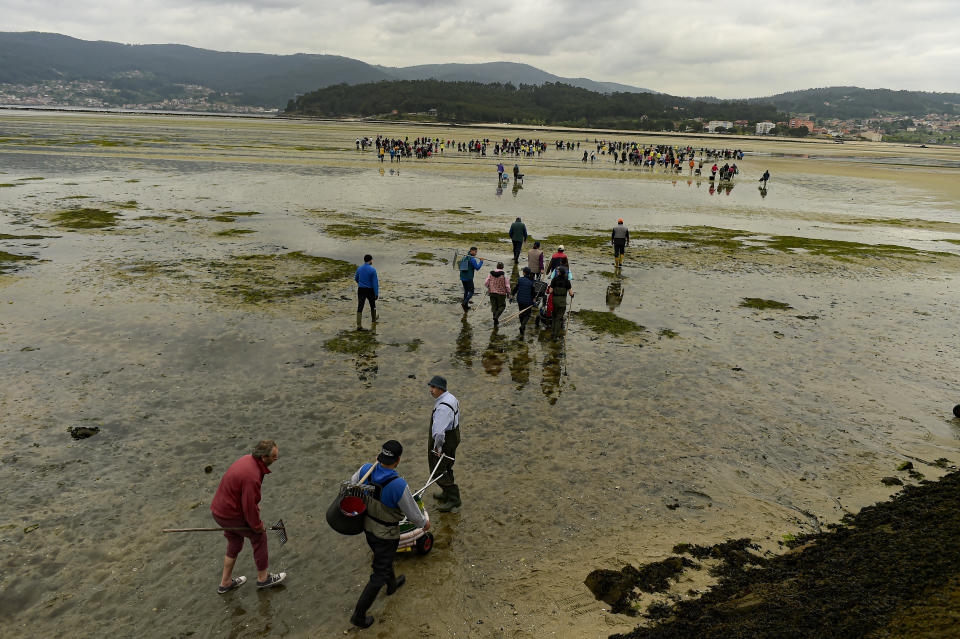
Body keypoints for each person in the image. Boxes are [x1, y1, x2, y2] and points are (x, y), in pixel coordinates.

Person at [349, 441, 430, 628]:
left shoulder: (365, 470)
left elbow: (352, 486)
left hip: (368, 528)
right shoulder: (398, 485)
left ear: (380, 456)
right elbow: (413, 515)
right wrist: (425, 524)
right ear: (398, 460)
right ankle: (358, 615)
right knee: (379, 573)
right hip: (386, 535)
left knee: (383, 560)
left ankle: (392, 585)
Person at [210, 440, 286, 594]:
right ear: (264, 457)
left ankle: (225, 583)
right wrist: (257, 526)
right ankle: (263, 579)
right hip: (230, 513)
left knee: (235, 541)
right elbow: (249, 507)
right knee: (259, 537)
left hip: (218, 510)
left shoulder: (248, 460)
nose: (276, 459)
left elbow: (245, 498)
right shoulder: (252, 476)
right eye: (274, 457)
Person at [427, 375, 461, 512]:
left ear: (441, 389)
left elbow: (439, 433)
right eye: (430, 386)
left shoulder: (442, 408)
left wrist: (438, 447)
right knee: (447, 466)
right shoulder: (451, 398)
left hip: (445, 441)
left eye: (433, 387)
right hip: (454, 436)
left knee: (437, 471)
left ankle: (454, 499)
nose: (431, 390)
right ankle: (447, 494)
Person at [547, 267, 574, 339]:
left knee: (554, 317)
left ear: (559, 273)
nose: (557, 272)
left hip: (554, 301)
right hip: (562, 301)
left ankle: (552, 333)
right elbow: (571, 293)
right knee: (559, 318)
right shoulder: (567, 281)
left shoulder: (554, 280)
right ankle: (555, 335)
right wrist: (572, 295)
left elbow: (550, 291)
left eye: (558, 271)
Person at [484, 262, 512, 326]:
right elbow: (507, 286)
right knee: (502, 306)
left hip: (492, 292)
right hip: (501, 294)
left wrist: (489, 288)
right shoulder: (504, 275)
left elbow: (486, 282)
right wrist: (509, 293)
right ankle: (496, 317)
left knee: (494, 306)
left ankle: (495, 320)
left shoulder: (490, 273)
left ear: (497, 267)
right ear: (502, 267)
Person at [355, 254, 379, 324]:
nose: (372, 261)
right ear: (370, 260)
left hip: (361, 289)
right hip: (370, 290)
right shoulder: (373, 270)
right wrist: (376, 293)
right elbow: (375, 283)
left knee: (360, 306)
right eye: (372, 260)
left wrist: (360, 283)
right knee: (372, 305)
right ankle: (373, 320)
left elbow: (356, 278)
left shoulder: (359, 268)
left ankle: (359, 325)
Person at [458, 247, 484, 312]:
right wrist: (481, 261)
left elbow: (460, 266)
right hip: (468, 278)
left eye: (476, 252)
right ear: (471, 251)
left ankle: (466, 306)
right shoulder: (472, 259)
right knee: (471, 292)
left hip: (462, 277)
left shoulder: (464, 257)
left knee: (466, 291)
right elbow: (477, 268)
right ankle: (464, 303)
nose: (476, 253)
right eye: (475, 252)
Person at [515, 266, 536, 335]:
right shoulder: (532, 282)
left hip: (520, 300)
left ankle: (522, 326)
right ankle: (523, 325)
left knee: (521, 312)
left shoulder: (520, 279)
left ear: (524, 273)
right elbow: (533, 293)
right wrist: (534, 301)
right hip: (528, 301)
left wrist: (512, 295)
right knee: (527, 314)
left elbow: (516, 288)